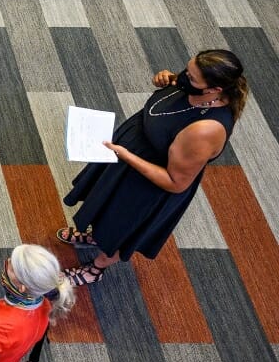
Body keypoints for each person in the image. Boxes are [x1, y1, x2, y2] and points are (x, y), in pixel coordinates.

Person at [58, 49, 248, 285]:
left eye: (191, 77)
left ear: (214, 90)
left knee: (121, 227)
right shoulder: (190, 85)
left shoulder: (205, 131)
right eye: (186, 70)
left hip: (146, 186)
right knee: (106, 209)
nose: (181, 78)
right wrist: (163, 80)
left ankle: (95, 270)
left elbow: (175, 182)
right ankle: (95, 236)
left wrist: (127, 155)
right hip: (130, 160)